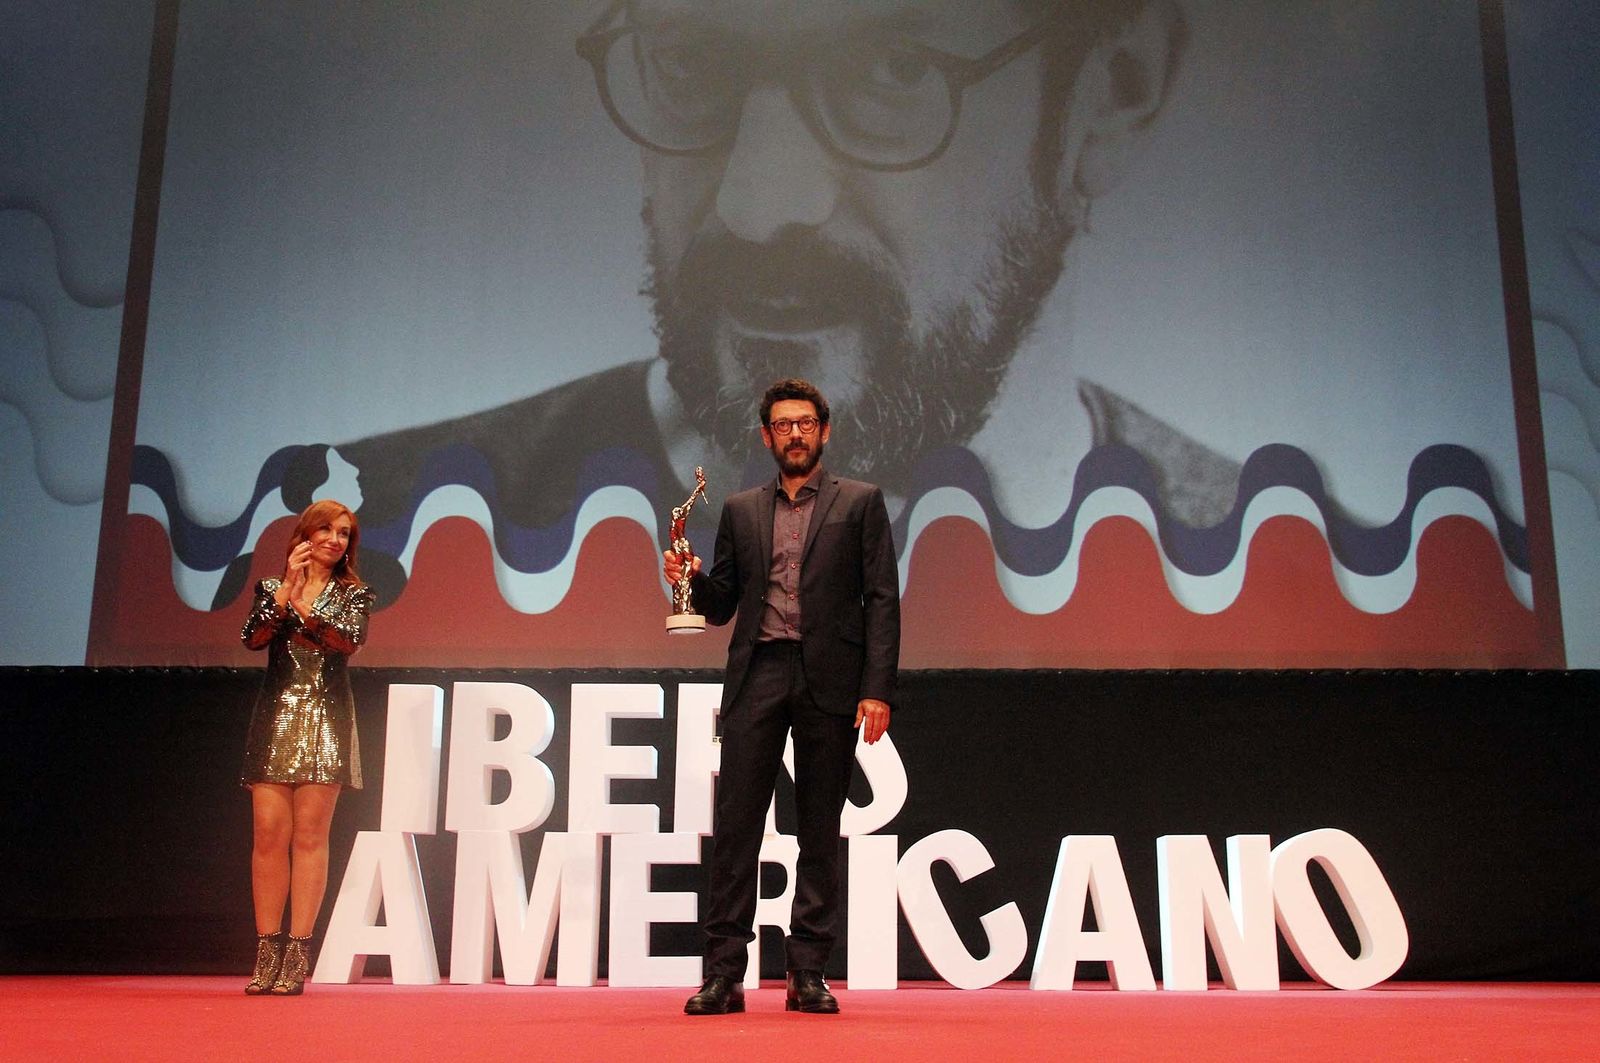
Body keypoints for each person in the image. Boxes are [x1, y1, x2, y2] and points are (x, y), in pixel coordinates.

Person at [328, 0, 1235, 604]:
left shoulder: (1255, 562)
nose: (757, 206)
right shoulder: (358, 530)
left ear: (1114, 95)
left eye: (895, 71)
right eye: (689, 65)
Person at [664, 378, 900, 1015]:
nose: (794, 434)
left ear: (823, 431)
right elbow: (721, 604)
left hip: (831, 678)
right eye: (782, 425)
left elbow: (881, 599)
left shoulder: (861, 502)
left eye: (805, 423)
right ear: (766, 436)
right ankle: (724, 974)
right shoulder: (741, 509)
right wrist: (689, 580)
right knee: (738, 827)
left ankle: (808, 971)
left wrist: (877, 689)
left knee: (820, 828)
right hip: (758, 673)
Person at [238, 499, 374, 996]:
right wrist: (284, 595)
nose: (336, 539)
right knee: (270, 834)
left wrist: (302, 604)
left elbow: (345, 641)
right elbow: (253, 639)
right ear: (305, 535)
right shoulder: (270, 589)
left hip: (326, 715)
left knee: (310, 837)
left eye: (344, 533)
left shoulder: (354, 595)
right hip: (276, 715)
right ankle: (266, 948)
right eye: (327, 530)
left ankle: (298, 949)